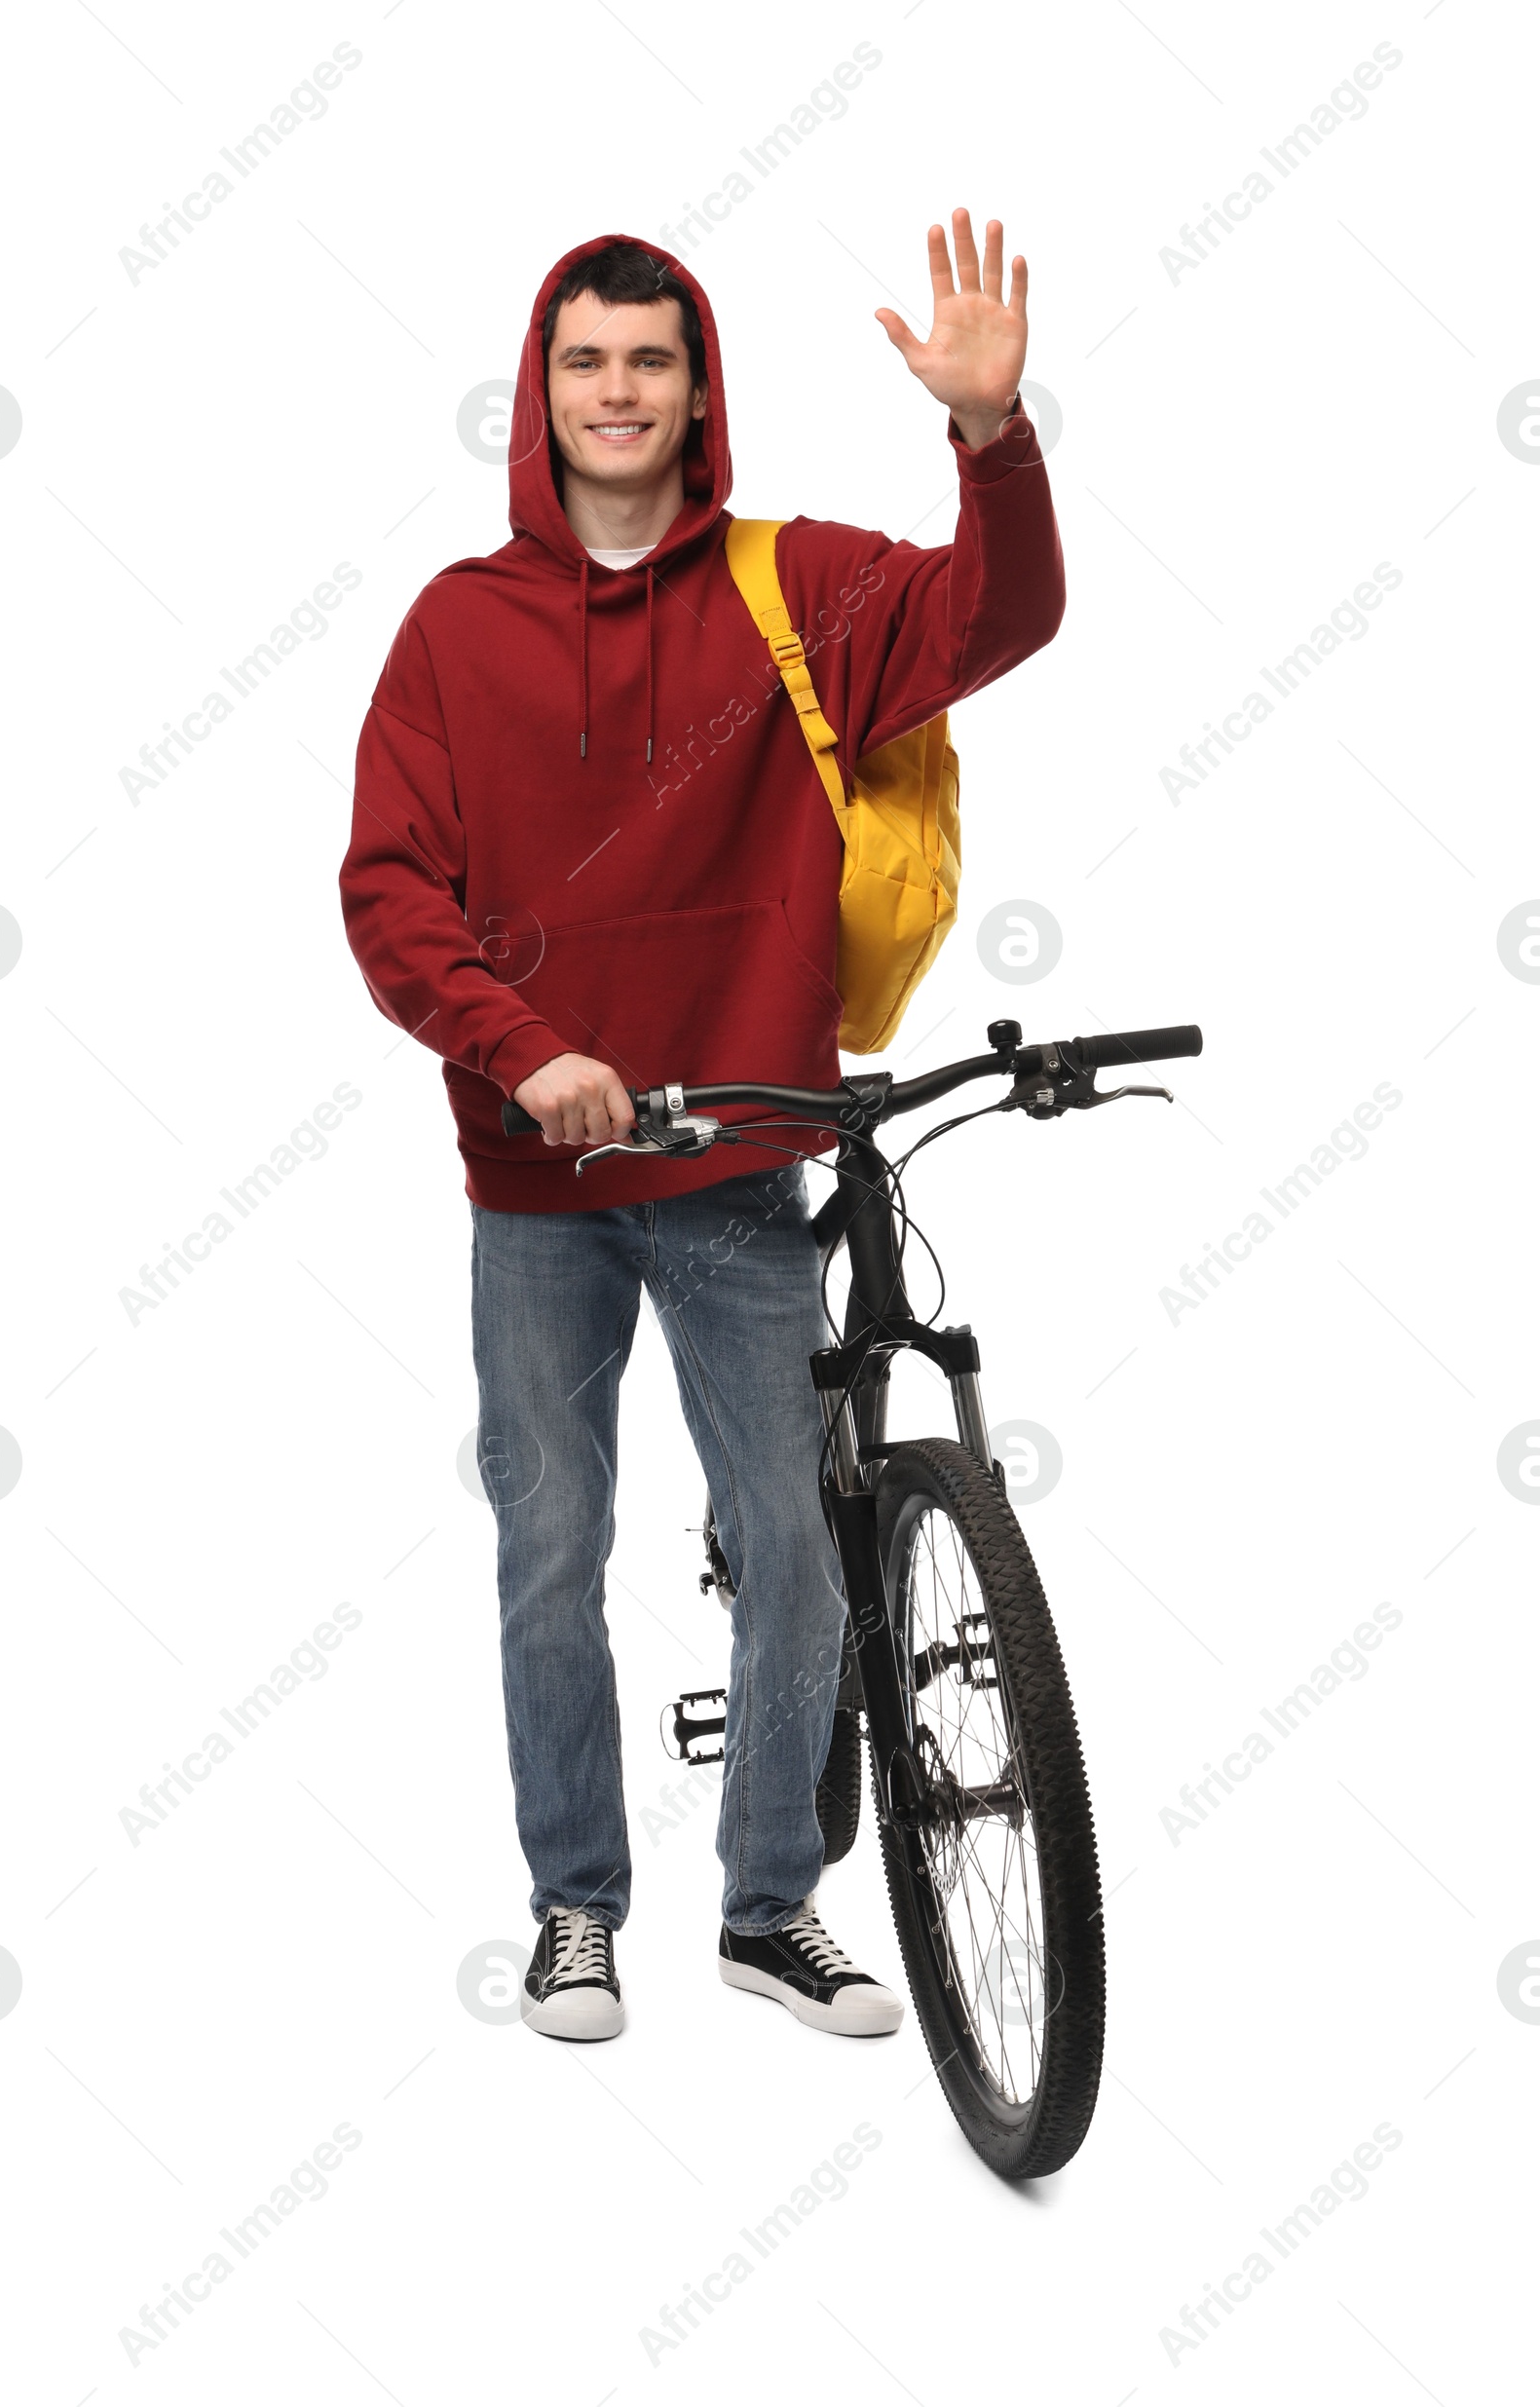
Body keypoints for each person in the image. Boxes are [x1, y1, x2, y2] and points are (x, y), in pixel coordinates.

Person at [339, 214, 1064, 2043]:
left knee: (793, 1542)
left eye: (649, 361)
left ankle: (767, 1907)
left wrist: (993, 437)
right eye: (586, 360)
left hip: (742, 1157)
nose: (616, 391)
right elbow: (389, 894)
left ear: (695, 385)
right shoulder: (455, 625)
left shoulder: (789, 580)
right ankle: (577, 1907)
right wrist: (520, 1052)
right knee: (552, 1541)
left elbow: (1001, 619)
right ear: (542, 386)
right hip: (540, 1186)